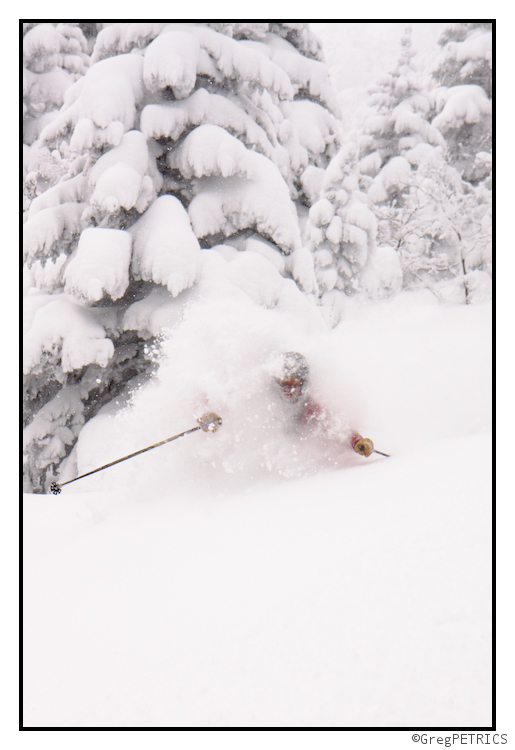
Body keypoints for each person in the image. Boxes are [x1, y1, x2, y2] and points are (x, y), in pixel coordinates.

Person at [275, 351, 376, 458]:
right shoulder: (265, 400)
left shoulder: (308, 409)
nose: (287, 389)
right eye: (283, 382)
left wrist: (356, 442)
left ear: (303, 383)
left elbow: (336, 428)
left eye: (292, 383)